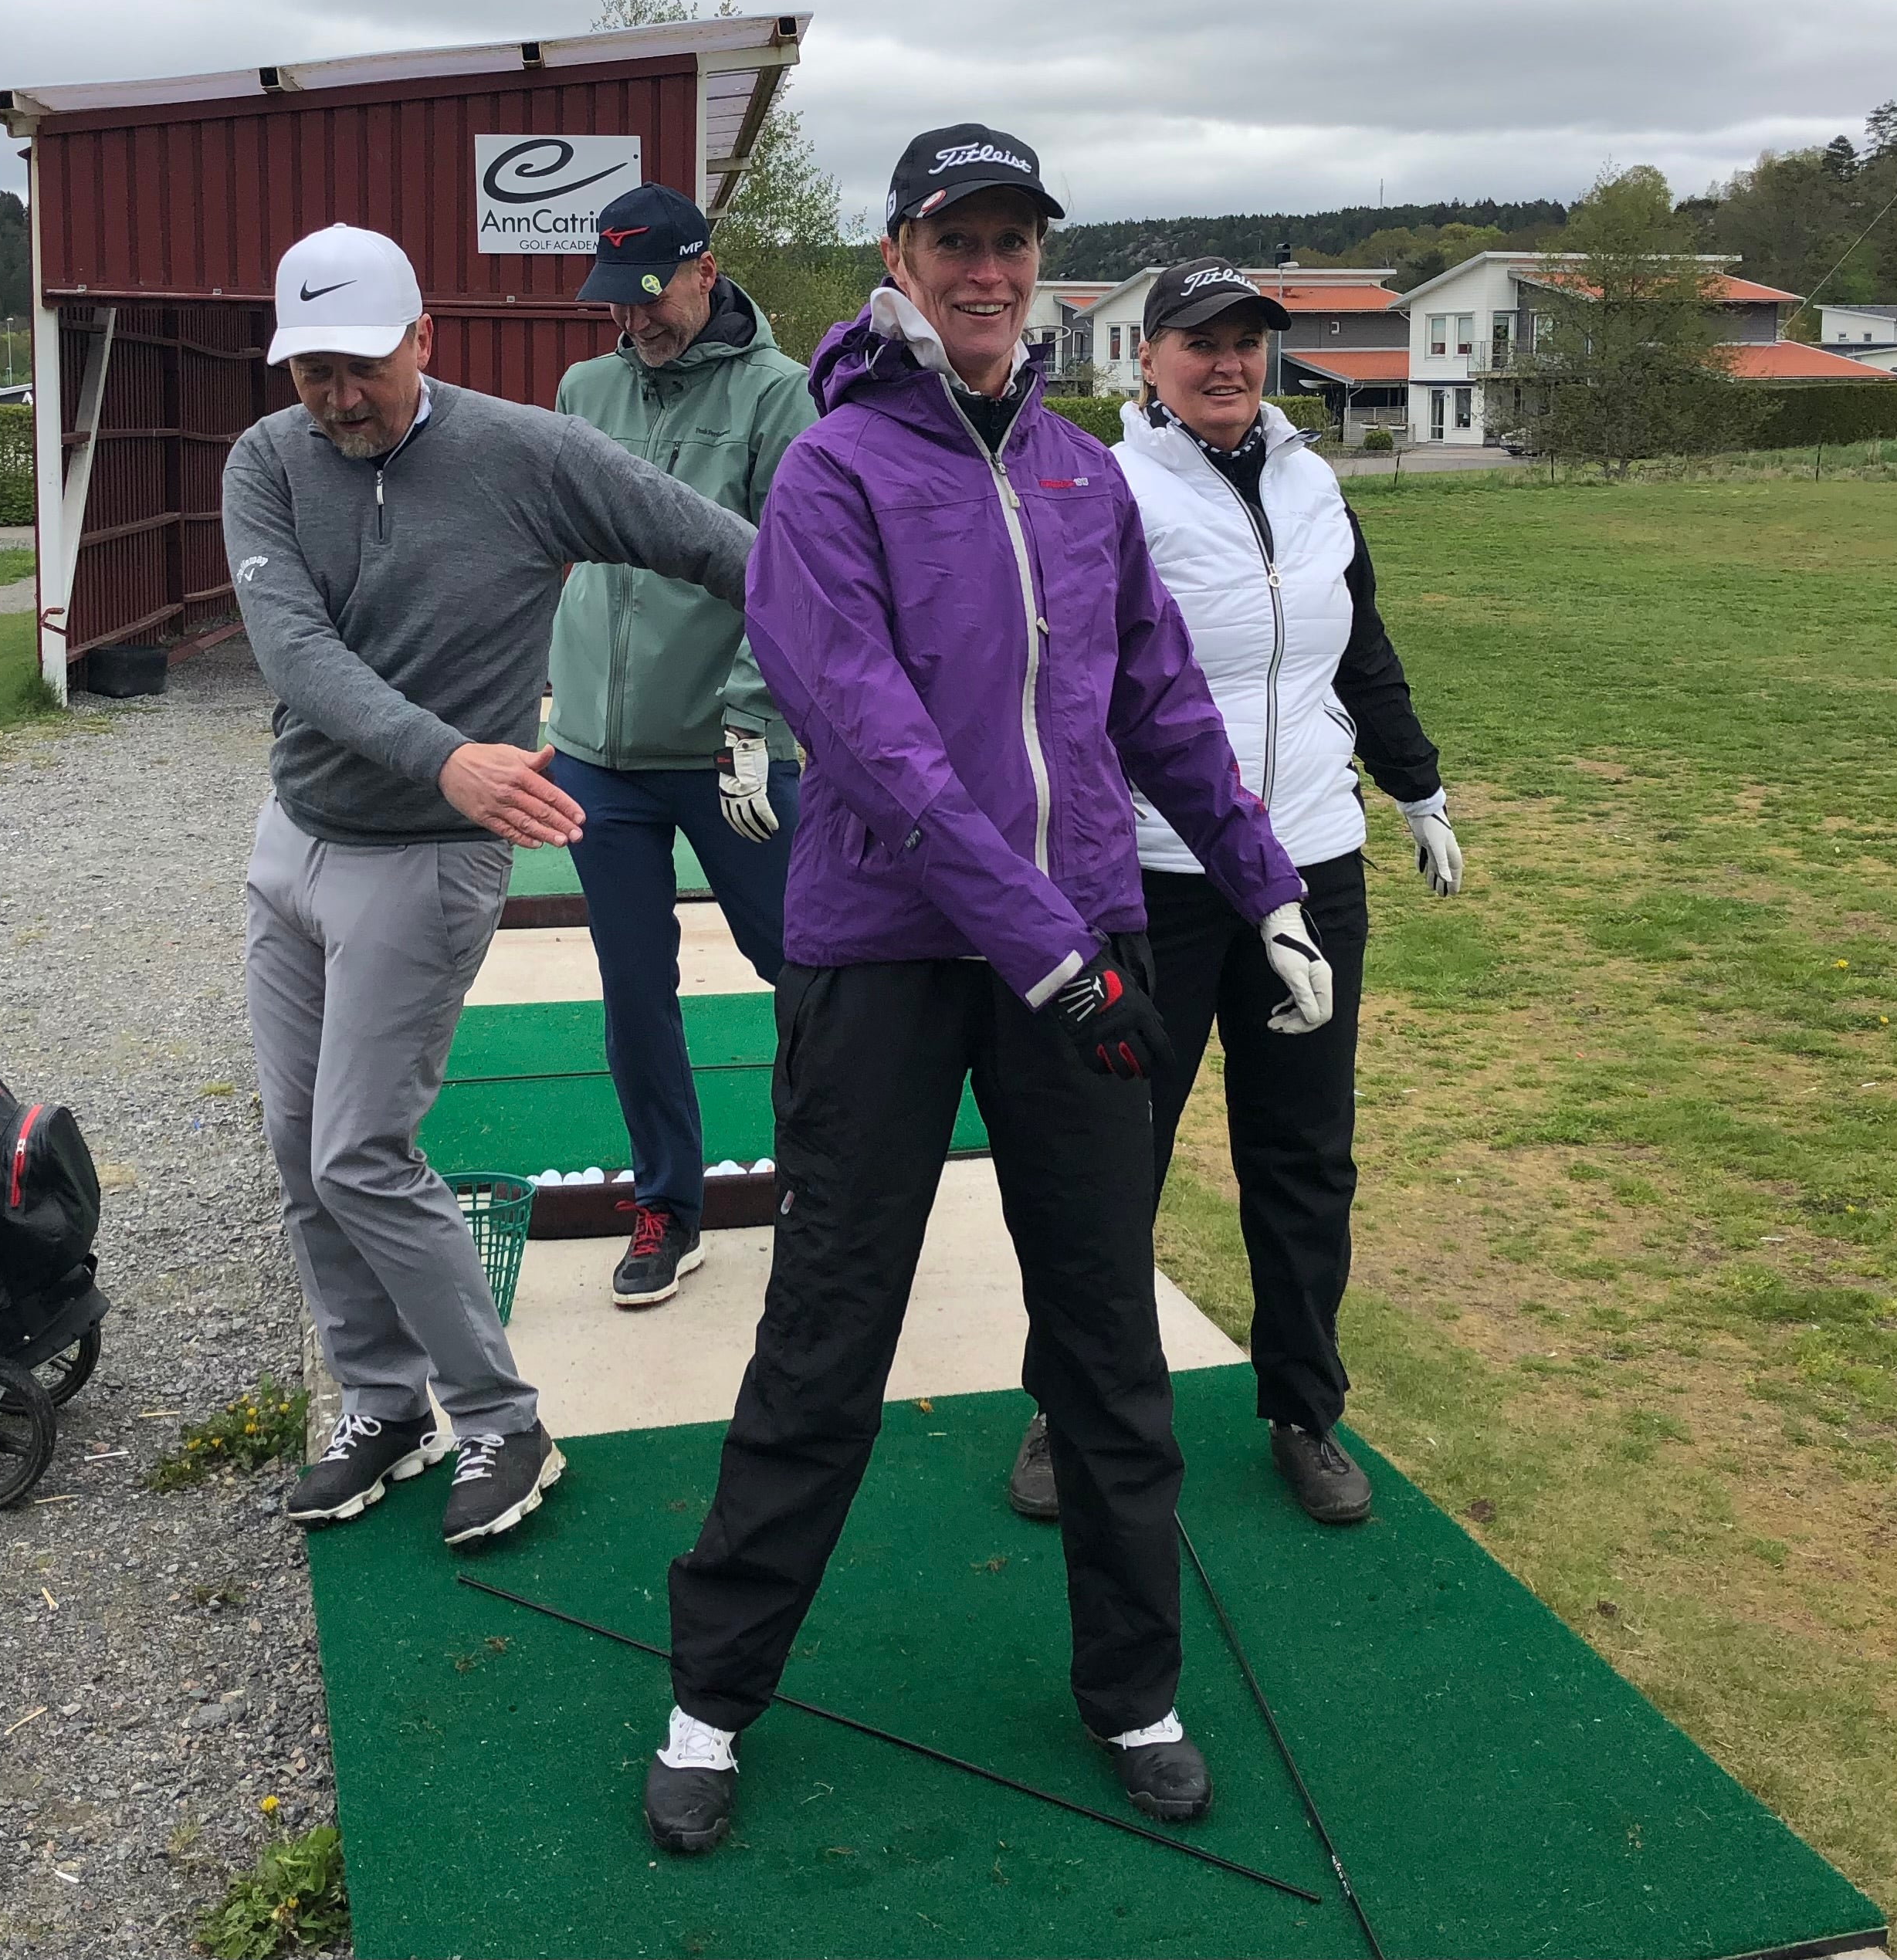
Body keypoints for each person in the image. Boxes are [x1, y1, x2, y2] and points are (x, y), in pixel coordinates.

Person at [642, 127, 1333, 1857]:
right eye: (957, 239)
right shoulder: (834, 469)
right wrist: (1049, 952)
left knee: (1105, 1339)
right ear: (898, 255)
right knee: (827, 1333)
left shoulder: (1082, 474)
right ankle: (712, 1693)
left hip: (1077, 942)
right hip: (892, 961)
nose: (989, 270)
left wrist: (1264, 889)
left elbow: (1157, 706)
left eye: (1014, 240)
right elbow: (876, 746)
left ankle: (1135, 1687)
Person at [222, 222, 758, 1543]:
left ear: (424, 337)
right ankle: (382, 1402)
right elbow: (293, 652)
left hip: (426, 858)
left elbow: (725, 550)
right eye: (312, 371)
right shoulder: (267, 460)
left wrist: (856, 646)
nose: (339, 396)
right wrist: (446, 750)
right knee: (300, 1150)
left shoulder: (529, 454)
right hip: (295, 843)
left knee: (361, 1151)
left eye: (363, 365)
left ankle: (501, 1420)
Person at [1005, 258, 1464, 1532]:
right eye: (1198, 341)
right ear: (1146, 359)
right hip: (1155, 871)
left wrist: (1415, 787)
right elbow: (1068, 681)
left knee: (1304, 1152)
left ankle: (1303, 1408)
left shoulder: (1315, 483)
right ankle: (1065, 1402)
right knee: (1114, 1158)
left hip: (1309, 856)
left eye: (1246, 340)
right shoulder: (1105, 486)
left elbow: (1357, 649)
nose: (1227, 362)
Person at [550, 184, 818, 1308]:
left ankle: (824, 1185)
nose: (633, 320)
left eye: (650, 296)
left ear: (707, 271)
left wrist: (752, 716)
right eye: (616, 300)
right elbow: (554, 543)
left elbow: (795, 569)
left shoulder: (779, 394)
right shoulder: (584, 389)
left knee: (805, 972)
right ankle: (668, 1201)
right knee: (633, 989)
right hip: (597, 754)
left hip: (727, 749)